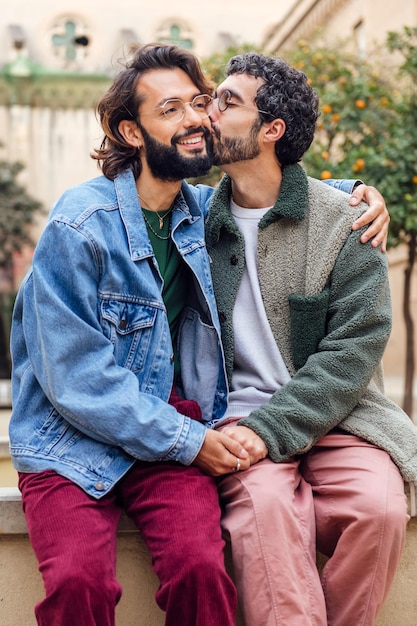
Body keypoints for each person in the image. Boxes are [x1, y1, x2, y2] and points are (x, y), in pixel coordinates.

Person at [8, 44, 389, 626]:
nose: (197, 118)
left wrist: (357, 191)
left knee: (205, 567)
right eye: (172, 109)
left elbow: (277, 194)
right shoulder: (80, 226)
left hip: (172, 421)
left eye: (202, 102)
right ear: (132, 133)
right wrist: (192, 442)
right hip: (76, 438)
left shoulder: (196, 211)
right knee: (80, 582)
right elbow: (76, 379)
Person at [204, 52, 417, 626]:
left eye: (227, 101)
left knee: (378, 511)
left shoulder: (344, 221)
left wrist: (274, 428)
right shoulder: (194, 220)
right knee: (266, 510)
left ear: (271, 130)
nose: (209, 110)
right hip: (239, 423)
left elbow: (354, 348)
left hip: (340, 417)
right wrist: (256, 433)